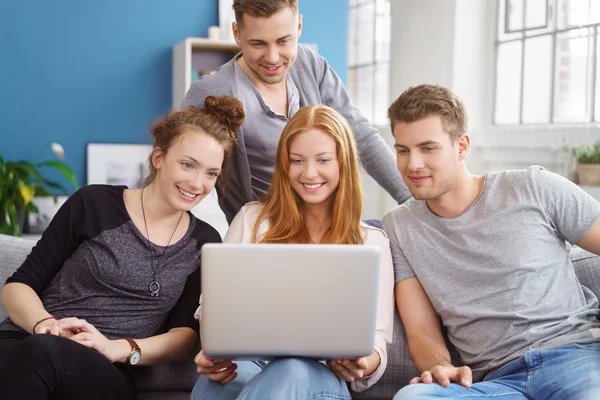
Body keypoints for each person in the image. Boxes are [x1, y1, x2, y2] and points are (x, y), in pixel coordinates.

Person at [0, 96, 245, 399]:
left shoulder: (204, 241)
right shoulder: (93, 203)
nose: (197, 183)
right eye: (187, 165)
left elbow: (183, 337)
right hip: (27, 339)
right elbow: (19, 285)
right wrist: (46, 325)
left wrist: (116, 348)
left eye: (211, 173)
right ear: (159, 158)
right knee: (33, 354)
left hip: (105, 368)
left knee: (40, 355)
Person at [381, 84, 600, 400]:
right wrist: (441, 367)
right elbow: (421, 332)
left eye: (428, 148)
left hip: (573, 358)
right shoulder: (399, 226)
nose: (412, 164)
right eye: (403, 150)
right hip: (495, 383)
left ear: (462, 146)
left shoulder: (533, 187)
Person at [190, 104, 394, 400]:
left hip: (319, 377)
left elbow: (377, 338)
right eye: (297, 160)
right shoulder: (251, 220)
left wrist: (364, 362)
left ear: (343, 163)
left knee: (291, 370)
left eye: (323, 160)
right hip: (249, 366)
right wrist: (214, 353)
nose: (309, 173)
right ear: (284, 164)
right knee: (215, 384)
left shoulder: (371, 242)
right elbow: (214, 308)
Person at [182, 0, 411, 224]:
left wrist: (411, 199)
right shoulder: (212, 92)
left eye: (283, 41)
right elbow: (178, 161)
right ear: (237, 33)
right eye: (258, 44)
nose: (272, 58)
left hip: (327, 225)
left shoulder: (311, 66)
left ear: (299, 27)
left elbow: (361, 136)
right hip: (265, 233)